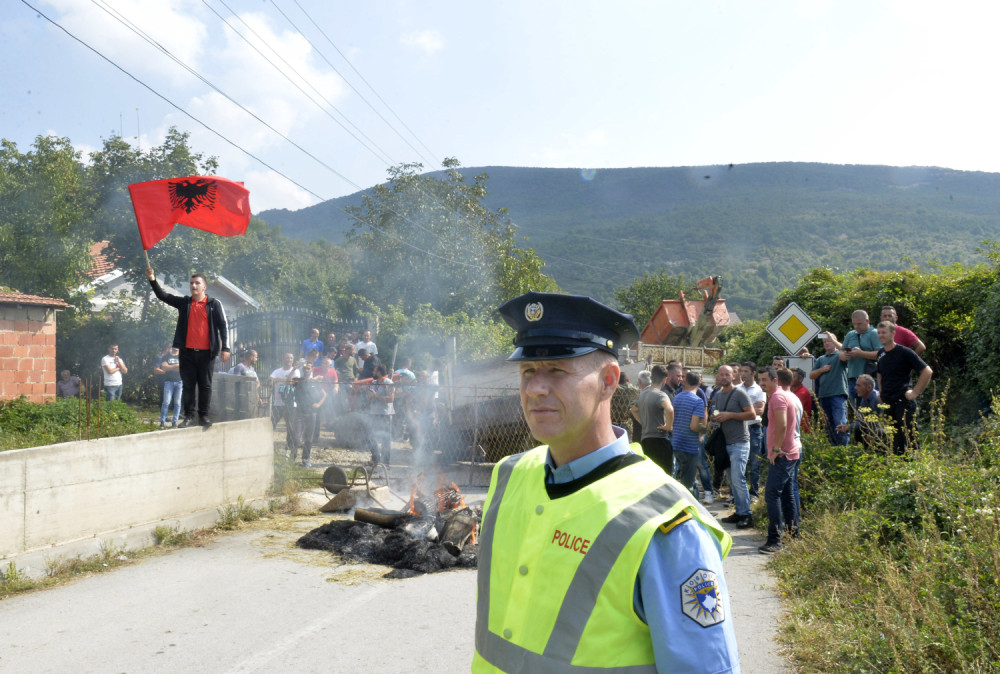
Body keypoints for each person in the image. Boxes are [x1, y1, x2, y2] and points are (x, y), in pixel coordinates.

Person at [474, 291, 739, 673]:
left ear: (609, 382)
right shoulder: (509, 474)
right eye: (528, 371)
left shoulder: (664, 524)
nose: (535, 388)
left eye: (558, 371)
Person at [147, 267, 231, 427]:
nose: (194, 286)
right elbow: (162, 295)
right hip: (187, 353)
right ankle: (189, 417)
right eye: (192, 283)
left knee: (205, 385)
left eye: (197, 283)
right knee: (188, 385)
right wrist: (152, 279)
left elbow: (223, 326)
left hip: (207, 353)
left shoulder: (214, 304)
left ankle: (204, 416)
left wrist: (225, 348)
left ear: (204, 287)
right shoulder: (184, 303)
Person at [759, 366, 802, 554]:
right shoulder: (779, 396)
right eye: (760, 380)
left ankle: (775, 539)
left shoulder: (777, 397)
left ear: (775, 380)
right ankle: (794, 535)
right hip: (788, 453)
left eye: (765, 380)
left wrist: (776, 449)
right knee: (786, 494)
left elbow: (783, 425)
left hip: (783, 454)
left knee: (772, 494)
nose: (762, 383)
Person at [876, 321, 932, 454]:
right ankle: (899, 471)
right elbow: (879, 373)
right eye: (879, 333)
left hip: (904, 402)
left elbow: (927, 371)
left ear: (893, 333)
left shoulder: (904, 352)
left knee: (910, 440)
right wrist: (881, 392)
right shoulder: (880, 354)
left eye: (884, 332)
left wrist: (915, 392)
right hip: (888, 404)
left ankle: (914, 471)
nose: (881, 335)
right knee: (894, 442)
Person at [712, 364, 756, 528]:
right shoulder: (717, 394)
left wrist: (730, 415)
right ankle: (739, 512)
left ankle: (747, 514)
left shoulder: (739, 393)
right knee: (732, 480)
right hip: (725, 443)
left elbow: (752, 414)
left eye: (727, 375)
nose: (724, 377)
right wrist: (714, 417)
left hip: (740, 442)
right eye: (721, 374)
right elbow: (717, 412)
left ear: (733, 376)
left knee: (738, 479)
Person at [633, 364, 675, 474]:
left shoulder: (643, 394)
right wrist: (668, 426)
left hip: (645, 440)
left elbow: (633, 410)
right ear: (665, 379)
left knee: (650, 474)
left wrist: (643, 422)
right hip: (659, 440)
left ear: (651, 378)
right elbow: (670, 410)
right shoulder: (660, 394)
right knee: (665, 475)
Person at [671, 371, 708, 494]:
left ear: (685, 381)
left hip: (675, 443)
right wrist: (705, 428)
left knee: (683, 479)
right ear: (699, 383)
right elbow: (694, 426)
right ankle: (690, 510)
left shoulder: (676, 397)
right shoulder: (698, 401)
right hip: (689, 446)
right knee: (688, 485)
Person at [810, 332, 849, 445]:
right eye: (824, 342)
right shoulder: (822, 359)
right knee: (828, 426)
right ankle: (833, 449)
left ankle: (843, 450)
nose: (827, 343)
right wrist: (822, 370)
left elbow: (847, 352)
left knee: (839, 423)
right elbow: (811, 375)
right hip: (823, 396)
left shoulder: (839, 355)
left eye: (829, 340)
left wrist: (833, 339)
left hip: (838, 395)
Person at [289, 360, 326, 467]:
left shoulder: (315, 383)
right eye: (304, 368)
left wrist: (319, 404)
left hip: (312, 413)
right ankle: (292, 458)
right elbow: (288, 382)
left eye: (308, 368)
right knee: (296, 437)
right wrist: (294, 369)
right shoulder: (298, 381)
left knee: (309, 439)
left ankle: (305, 459)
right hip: (299, 413)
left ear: (312, 370)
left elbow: (324, 395)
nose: (306, 370)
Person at [738, 362, 766, 499]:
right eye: (741, 371)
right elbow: (732, 409)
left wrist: (742, 408)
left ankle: (754, 492)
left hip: (754, 428)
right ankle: (739, 494)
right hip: (739, 429)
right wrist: (751, 408)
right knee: (739, 462)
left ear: (753, 373)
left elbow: (761, 410)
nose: (743, 374)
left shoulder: (760, 390)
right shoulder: (737, 389)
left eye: (746, 371)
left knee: (755, 462)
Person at [840, 310, 881, 399]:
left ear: (867, 321)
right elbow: (841, 352)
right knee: (856, 410)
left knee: (871, 409)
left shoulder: (875, 333)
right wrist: (844, 356)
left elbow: (881, 354)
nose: (856, 326)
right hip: (853, 379)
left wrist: (861, 354)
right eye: (854, 324)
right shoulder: (850, 334)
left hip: (870, 379)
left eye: (859, 324)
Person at [367, 364, 394, 464]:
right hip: (373, 413)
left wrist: (376, 396)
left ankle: (386, 462)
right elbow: (369, 396)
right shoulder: (373, 382)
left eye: (375, 371)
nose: (373, 373)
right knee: (370, 436)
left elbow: (390, 399)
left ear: (379, 372)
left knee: (385, 438)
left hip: (384, 414)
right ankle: (375, 458)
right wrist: (369, 396)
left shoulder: (388, 383)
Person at [155, 346, 182, 428]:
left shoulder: (182, 356)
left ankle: (175, 422)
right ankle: (162, 422)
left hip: (180, 382)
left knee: (177, 403)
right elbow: (164, 367)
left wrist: (170, 367)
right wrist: (176, 366)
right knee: (166, 402)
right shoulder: (166, 356)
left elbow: (183, 368)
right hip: (168, 382)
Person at [268, 353, 296, 429]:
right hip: (278, 403)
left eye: (291, 358)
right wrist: (284, 380)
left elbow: (292, 382)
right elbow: (270, 380)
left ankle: (290, 441)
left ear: (293, 360)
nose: (289, 360)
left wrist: (277, 379)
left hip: (291, 404)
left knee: (290, 426)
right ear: (283, 359)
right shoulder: (277, 371)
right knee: (271, 424)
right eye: (287, 358)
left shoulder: (295, 371)